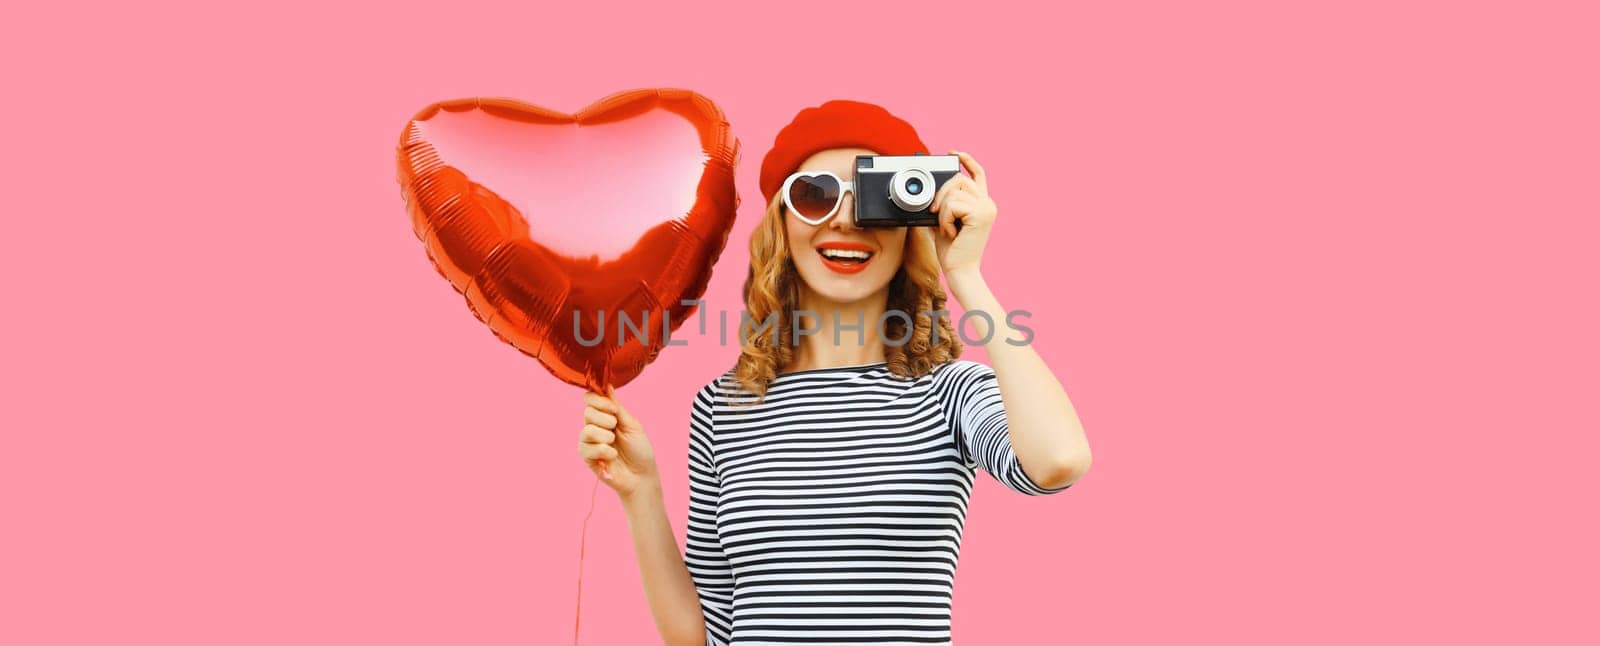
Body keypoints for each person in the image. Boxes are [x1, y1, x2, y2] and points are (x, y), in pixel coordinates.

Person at [576, 100, 1092, 646]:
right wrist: (642, 492)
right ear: (781, 222)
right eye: (815, 195)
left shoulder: (950, 394)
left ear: (910, 224)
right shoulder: (721, 407)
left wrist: (966, 274)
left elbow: (1058, 461)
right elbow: (702, 637)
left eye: (872, 201)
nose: (844, 219)